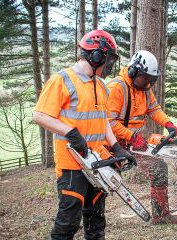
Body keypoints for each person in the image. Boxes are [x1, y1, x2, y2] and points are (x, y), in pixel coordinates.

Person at [33, 30, 137, 240]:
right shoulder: (62, 80)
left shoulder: (100, 85)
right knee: (68, 220)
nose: (109, 65)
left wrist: (116, 147)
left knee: (96, 217)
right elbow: (39, 115)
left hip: (97, 161)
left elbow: (104, 120)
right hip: (72, 164)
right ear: (96, 56)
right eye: (107, 59)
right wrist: (71, 133)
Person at [106, 50, 177, 224]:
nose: (148, 83)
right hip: (109, 144)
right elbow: (108, 123)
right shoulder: (116, 88)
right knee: (101, 185)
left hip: (131, 143)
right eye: (145, 78)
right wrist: (132, 137)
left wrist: (168, 124)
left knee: (158, 168)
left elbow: (154, 109)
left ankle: (161, 215)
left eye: (151, 80)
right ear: (134, 72)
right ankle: (90, 221)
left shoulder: (145, 89)